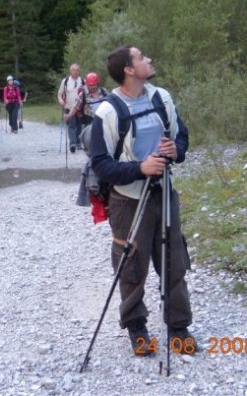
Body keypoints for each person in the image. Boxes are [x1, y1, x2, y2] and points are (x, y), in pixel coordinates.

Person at [89, 44, 195, 357]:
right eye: (141, 57)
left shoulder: (161, 97)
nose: (148, 59)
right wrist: (140, 168)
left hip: (164, 193)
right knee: (131, 265)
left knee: (173, 260)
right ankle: (137, 327)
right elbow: (101, 164)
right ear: (129, 70)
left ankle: (178, 327)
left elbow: (182, 135)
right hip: (128, 200)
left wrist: (177, 150)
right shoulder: (107, 112)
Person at [57, 63, 84, 152]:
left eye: (77, 70)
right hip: (68, 106)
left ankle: (78, 142)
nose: (75, 72)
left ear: (79, 71)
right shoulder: (65, 81)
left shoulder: (83, 81)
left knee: (79, 125)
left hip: (79, 107)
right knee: (71, 125)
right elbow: (60, 94)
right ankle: (72, 143)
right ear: (70, 71)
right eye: (73, 70)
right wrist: (60, 100)